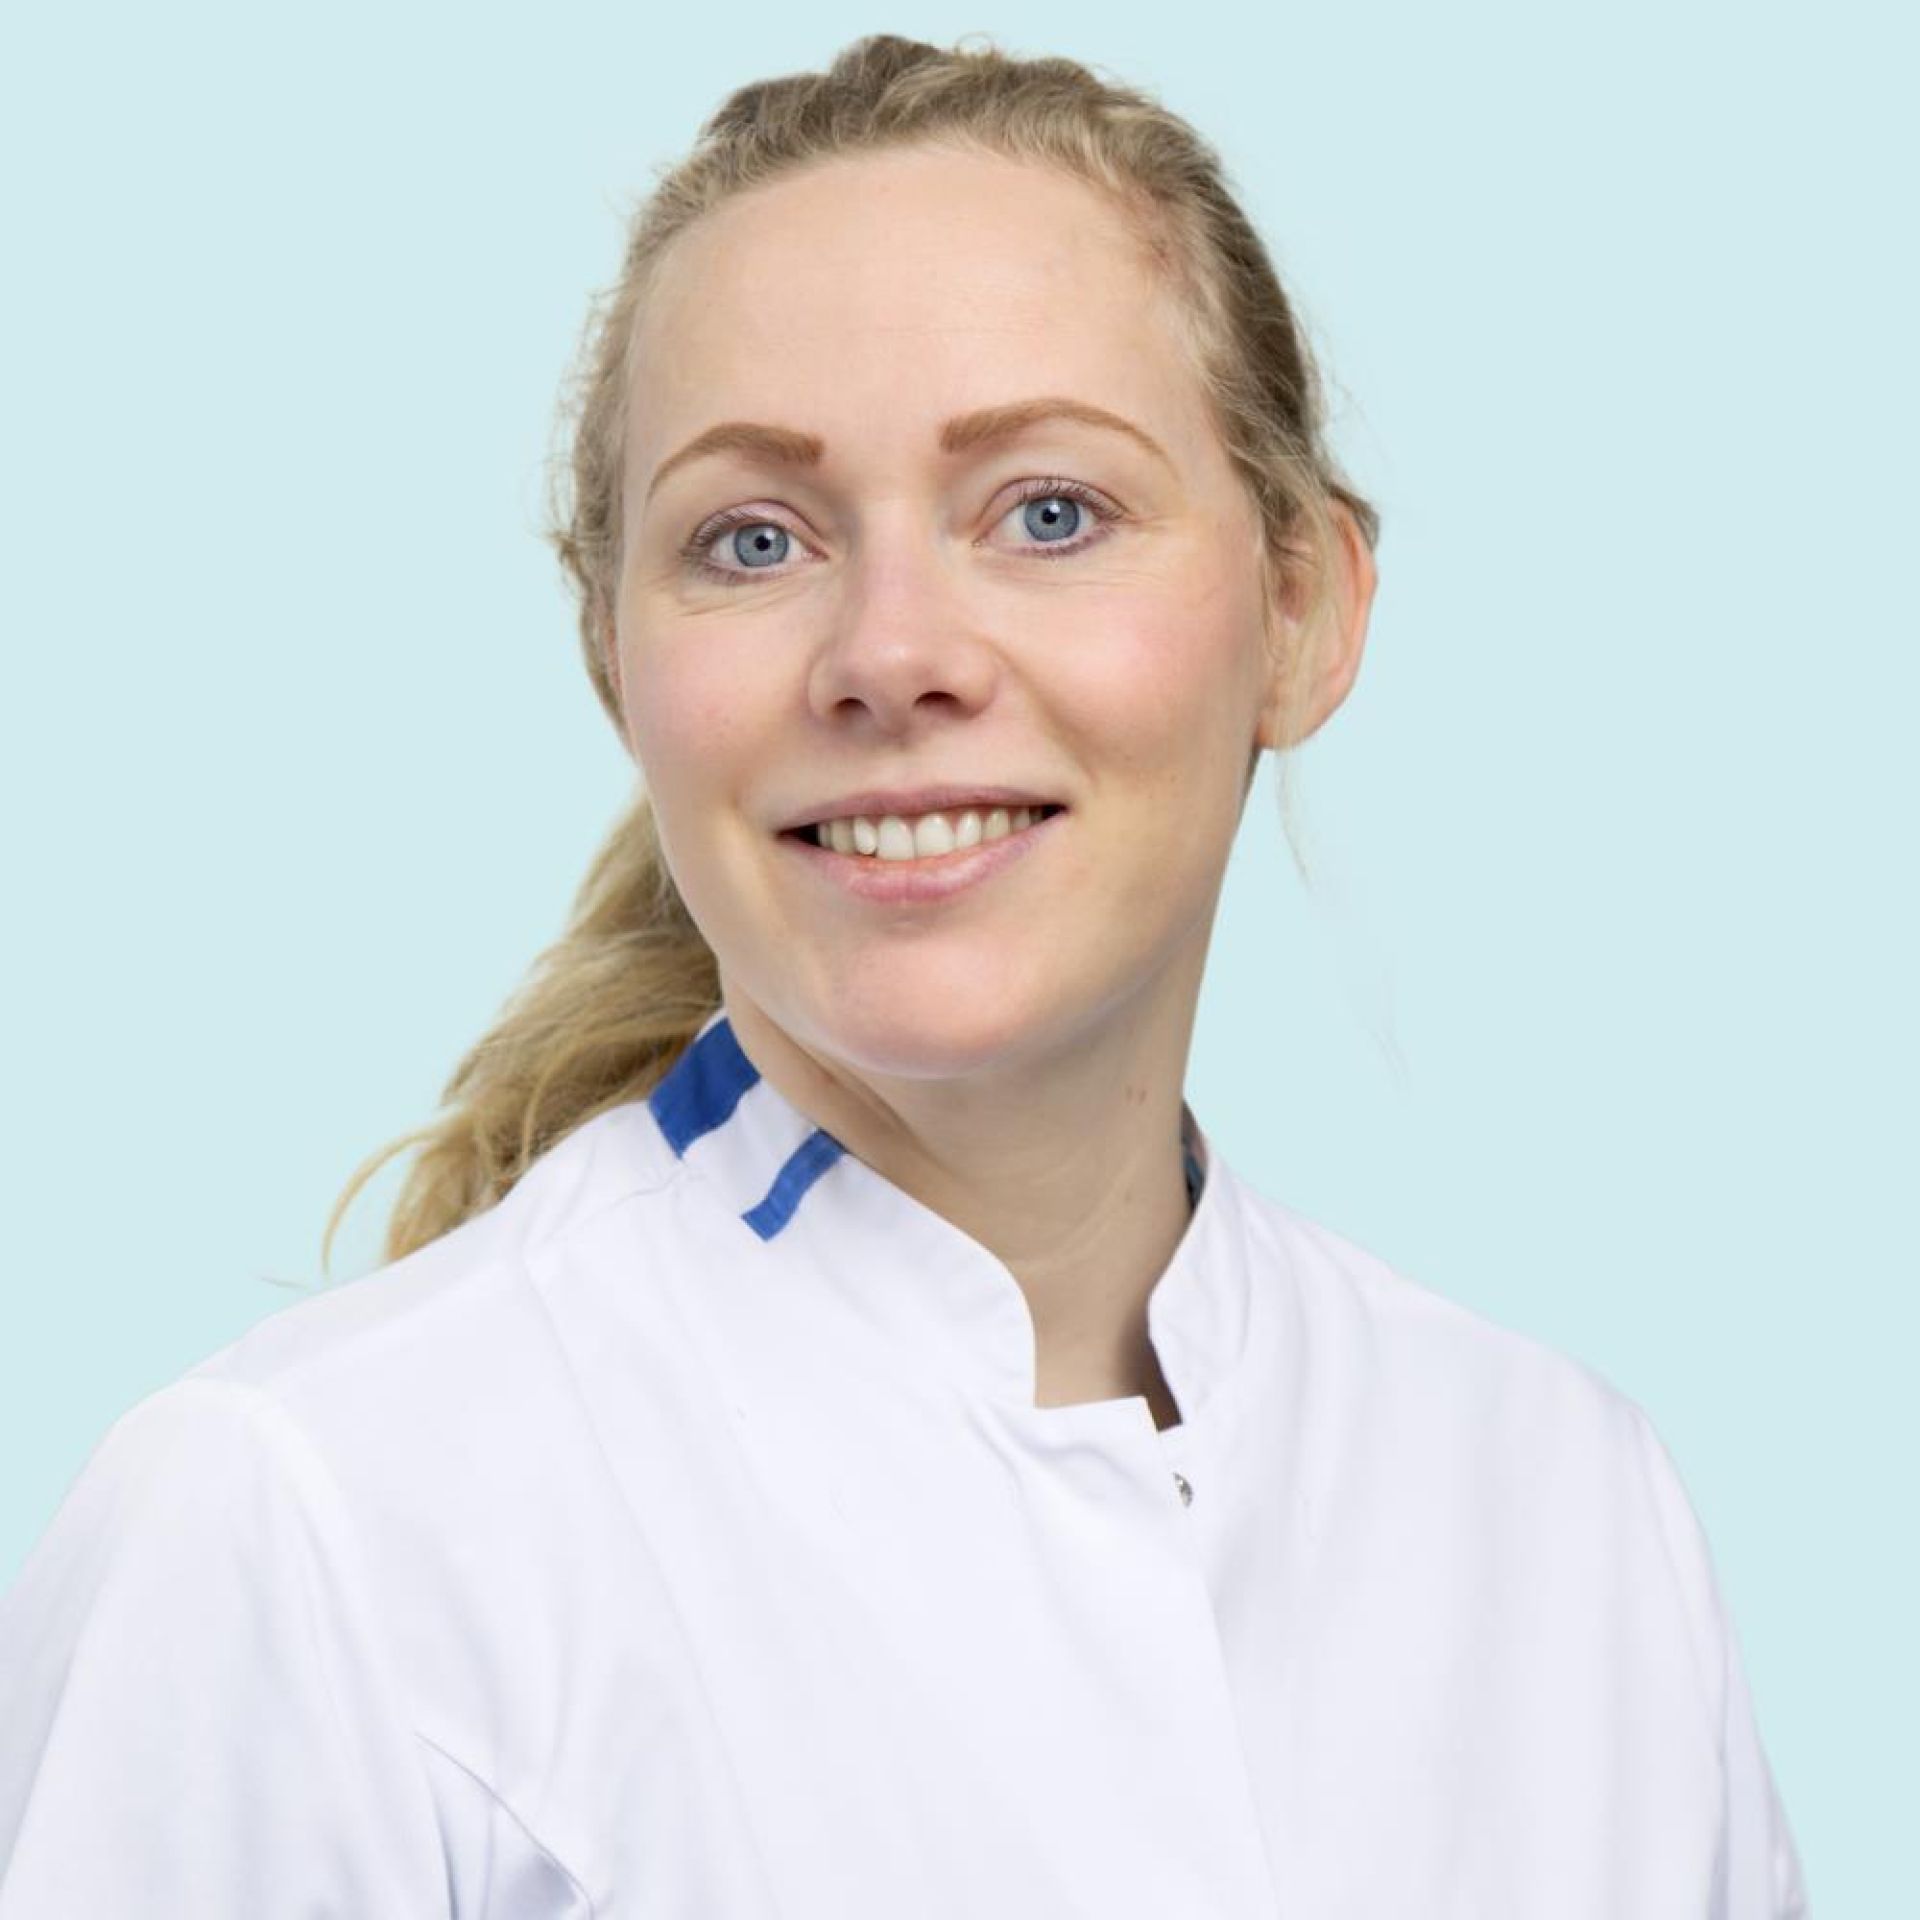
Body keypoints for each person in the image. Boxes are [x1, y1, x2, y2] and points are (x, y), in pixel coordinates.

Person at [0, 32, 1809, 1918]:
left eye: (1049, 511)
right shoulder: (304, 1534)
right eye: (752, 540)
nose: (890, 654)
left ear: (1303, 611)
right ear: (617, 663)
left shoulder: (1573, 1513)